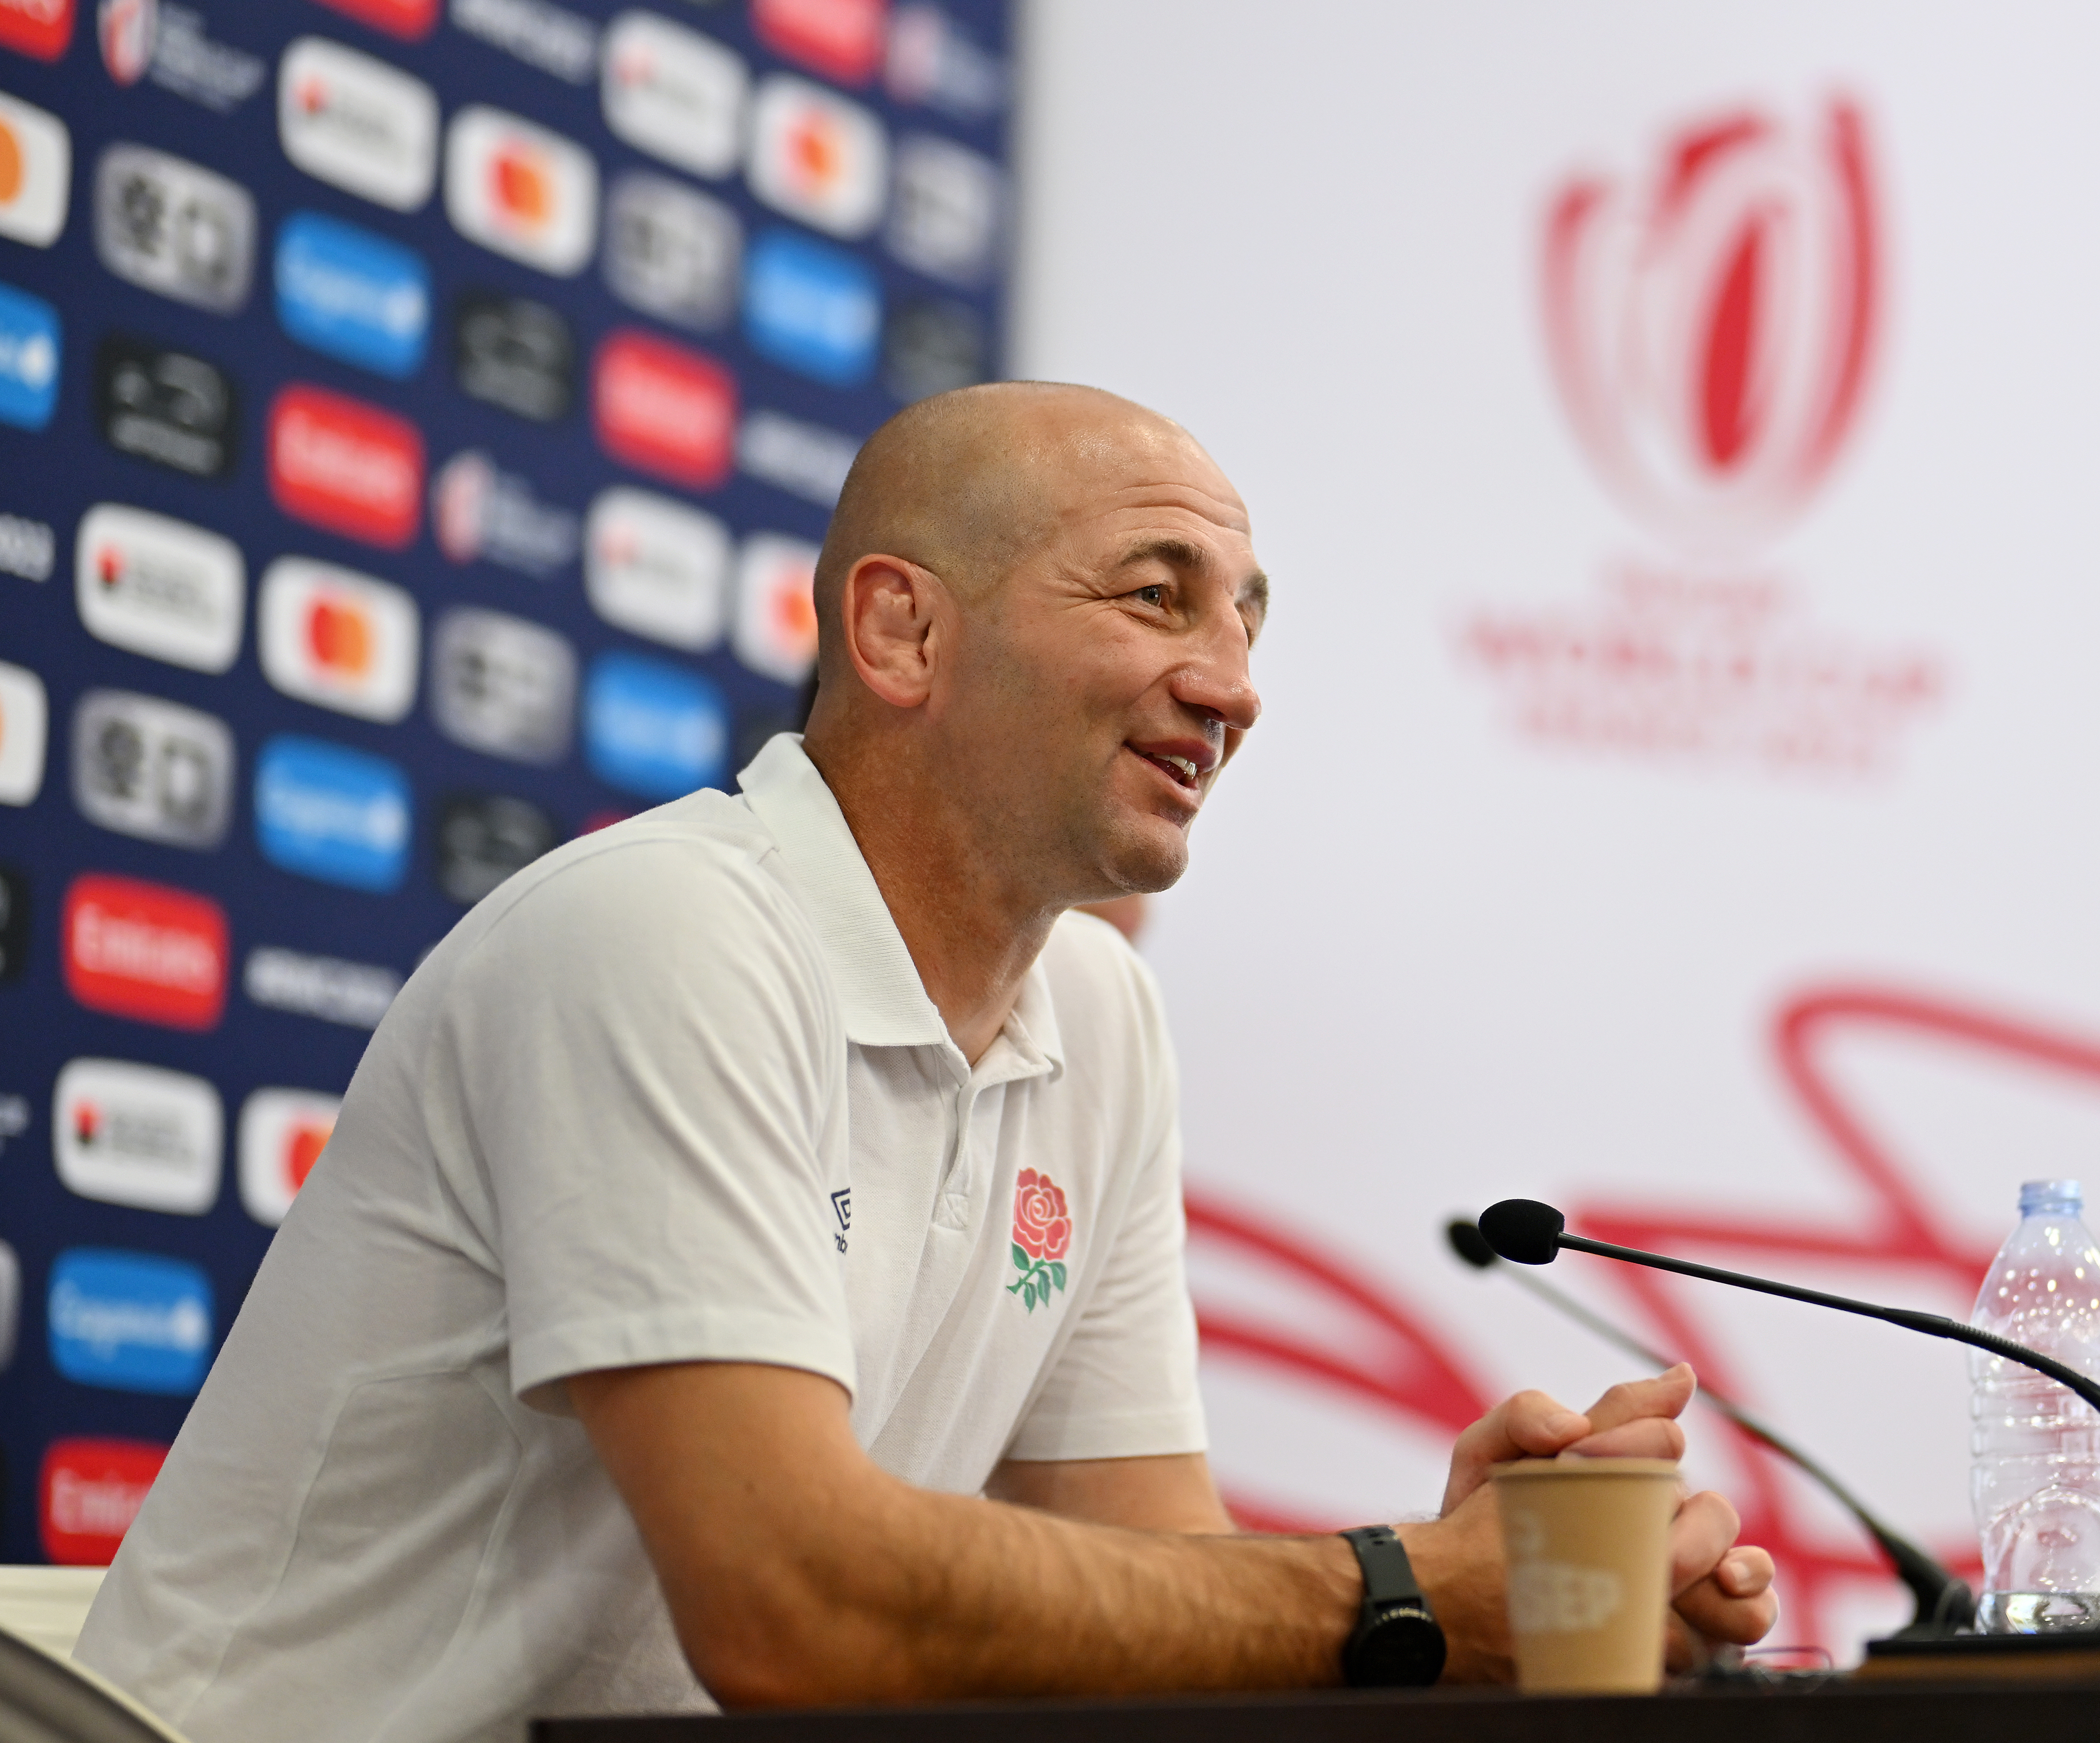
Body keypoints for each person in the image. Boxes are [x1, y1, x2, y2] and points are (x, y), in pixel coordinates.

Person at [76, 384, 1776, 1742]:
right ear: (898, 633)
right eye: (1157, 597)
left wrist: (1484, 1586)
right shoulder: (667, 933)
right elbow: (791, 1609)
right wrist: (1403, 1594)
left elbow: (1147, 1584)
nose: (1234, 685)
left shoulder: (1101, 1021)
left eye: (1249, 621)